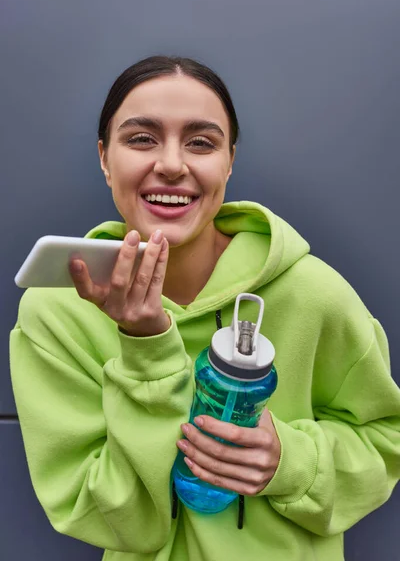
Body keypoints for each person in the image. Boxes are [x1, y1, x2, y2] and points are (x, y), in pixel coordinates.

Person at [10, 55, 400, 561]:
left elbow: (386, 437)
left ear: (230, 161)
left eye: (201, 142)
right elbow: (102, 512)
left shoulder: (313, 292)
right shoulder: (57, 313)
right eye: (141, 138)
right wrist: (146, 349)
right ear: (105, 158)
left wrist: (292, 462)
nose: (172, 164)